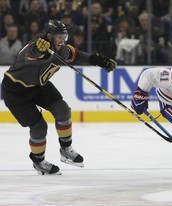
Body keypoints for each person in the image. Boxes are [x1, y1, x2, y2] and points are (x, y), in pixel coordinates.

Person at [1, 20, 117, 175]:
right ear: (49, 35)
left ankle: (66, 149)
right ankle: (39, 161)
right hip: (15, 91)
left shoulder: (61, 49)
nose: (62, 40)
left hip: (37, 86)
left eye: (64, 36)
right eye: (59, 36)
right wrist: (39, 48)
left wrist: (98, 60)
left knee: (63, 110)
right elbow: (31, 53)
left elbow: (76, 55)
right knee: (39, 127)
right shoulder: (37, 45)